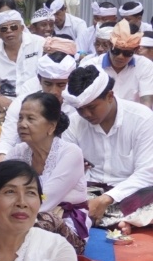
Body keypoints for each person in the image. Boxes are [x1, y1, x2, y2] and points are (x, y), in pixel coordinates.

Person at [61, 66, 153, 228]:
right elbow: (66, 172)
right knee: (61, 198)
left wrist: (106, 199)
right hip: (89, 191)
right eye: (80, 109)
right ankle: (126, 221)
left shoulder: (142, 118)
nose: (86, 114)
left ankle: (105, 219)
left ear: (110, 96)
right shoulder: (74, 123)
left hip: (130, 191)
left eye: (91, 107)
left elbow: (146, 173)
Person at [7, 92, 89, 249]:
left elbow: (47, 199)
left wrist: (3, 220)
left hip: (57, 220)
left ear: (51, 127)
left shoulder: (70, 152)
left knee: (44, 222)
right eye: (20, 118)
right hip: (18, 216)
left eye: (30, 119)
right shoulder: (18, 151)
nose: (22, 124)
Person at [0, 52, 78, 159]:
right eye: (48, 84)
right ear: (39, 80)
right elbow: (6, 142)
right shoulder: (22, 103)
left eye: (61, 85)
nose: (54, 91)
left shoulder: (77, 107)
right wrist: (2, 165)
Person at [0, 9, 46, 109]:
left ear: (21, 28)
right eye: (4, 29)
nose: (9, 31)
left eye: (13, 27)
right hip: (8, 105)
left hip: (39, 101)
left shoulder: (40, 44)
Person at [98, 20, 153, 108]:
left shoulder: (145, 66)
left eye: (127, 53)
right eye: (116, 51)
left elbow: (146, 104)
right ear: (109, 45)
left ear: (136, 50)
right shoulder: (92, 65)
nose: (121, 57)